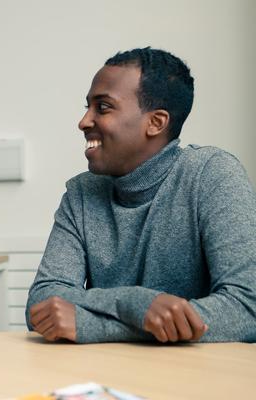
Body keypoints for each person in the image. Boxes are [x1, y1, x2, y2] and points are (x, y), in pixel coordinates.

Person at [26, 47, 256, 344]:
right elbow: (41, 304)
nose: (83, 121)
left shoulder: (212, 174)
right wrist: (135, 303)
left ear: (156, 122)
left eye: (103, 107)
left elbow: (246, 308)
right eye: (87, 107)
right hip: (105, 377)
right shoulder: (81, 193)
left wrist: (94, 325)